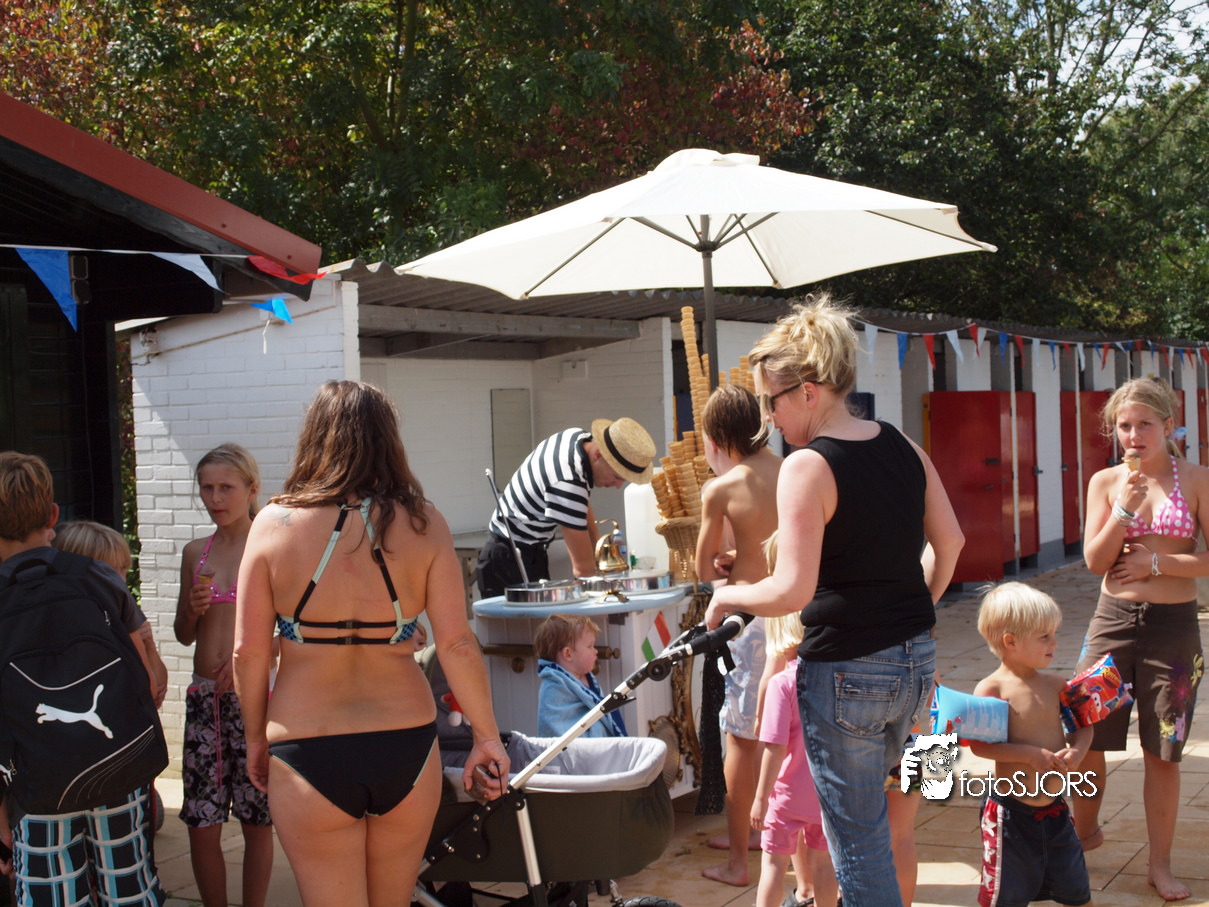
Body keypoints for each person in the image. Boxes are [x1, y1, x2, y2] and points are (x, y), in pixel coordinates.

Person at [703, 294, 965, 906]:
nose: (768, 420)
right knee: (882, 826)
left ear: (808, 391)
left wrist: (727, 596)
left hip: (847, 673)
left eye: (771, 401)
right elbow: (951, 542)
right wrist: (912, 610)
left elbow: (791, 589)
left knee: (859, 842)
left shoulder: (807, 466)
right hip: (915, 665)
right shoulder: (905, 445)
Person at [233, 380, 509, 907]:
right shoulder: (424, 523)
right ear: (389, 439)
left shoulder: (272, 525)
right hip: (405, 745)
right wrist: (487, 737)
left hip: (307, 744)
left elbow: (247, 652)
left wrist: (253, 739)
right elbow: (457, 644)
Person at [0, 451, 166, 906]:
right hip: (117, 770)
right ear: (53, 516)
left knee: (51, 895)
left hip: (36, 788)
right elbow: (146, 679)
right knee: (129, 887)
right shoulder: (97, 576)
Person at [1073, 377, 1205, 902]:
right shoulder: (1106, 482)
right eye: (1124, 426)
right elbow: (1095, 561)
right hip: (1112, 622)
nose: (1134, 435)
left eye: (1145, 424)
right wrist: (1123, 511)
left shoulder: (1196, 480)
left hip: (1173, 629)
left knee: (1163, 751)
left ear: (1168, 425)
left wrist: (1158, 562)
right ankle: (1083, 835)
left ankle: (1159, 865)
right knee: (1085, 735)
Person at [173, 444, 273, 907]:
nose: (215, 498)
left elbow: (289, 633)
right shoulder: (196, 552)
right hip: (203, 699)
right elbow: (183, 635)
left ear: (251, 489)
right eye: (207, 488)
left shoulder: (269, 548)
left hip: (251, 699)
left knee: (257, 821)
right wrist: (192, 611)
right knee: (201, 821)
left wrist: (246, 661)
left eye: (226, 488)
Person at [695, 384, 782, 887]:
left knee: (741, 738)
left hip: (749, 620)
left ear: (716, 437)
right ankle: (775, 837)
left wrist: (730, 561)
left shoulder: (722, 488)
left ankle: (739, 862)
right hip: (795, 610)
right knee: (786, 730)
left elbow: (703, 567)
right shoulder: (792, 469)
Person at [969, 582, 1093, 907]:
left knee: (1077, 890)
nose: (1055, 643)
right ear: (1010, 641)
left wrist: (1078, 751)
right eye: (1044, 636)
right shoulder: (992, 689)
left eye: (1054, 634)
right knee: (1005, 896)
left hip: (1056, 810)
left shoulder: (1057, 685)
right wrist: (1028, 755)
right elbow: (980, 746)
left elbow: (1083, 726)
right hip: (1010, 815)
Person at [475, 418, 657, 598]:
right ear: (598, 454)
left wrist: (599, 554)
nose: (618, 486)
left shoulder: (577, 438)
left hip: (530, 552)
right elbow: (583, 570)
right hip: (508, 561)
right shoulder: (567, 480)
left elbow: (581, 505)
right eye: (617, 477)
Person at [753, 611, 838, 907]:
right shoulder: (833, 679)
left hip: (787, 796)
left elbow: (774, 748)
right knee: (824, 864)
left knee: (773, 864)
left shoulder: (782, 683)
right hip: (825, 794)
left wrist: (760, 799)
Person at [54, 520, 169, 708]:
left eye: (122, 568)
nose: (119, 579)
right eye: (108, 571)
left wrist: (148, 645)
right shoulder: (70, 624)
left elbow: (158, 687)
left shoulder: (125, 610)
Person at [535, 614, 625, 737]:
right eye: (590, 646)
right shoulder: (553, 688)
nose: (595, 651)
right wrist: (599, 729)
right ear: (568, 654)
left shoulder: (585, 677)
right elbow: (554, 728)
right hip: (572, 748)